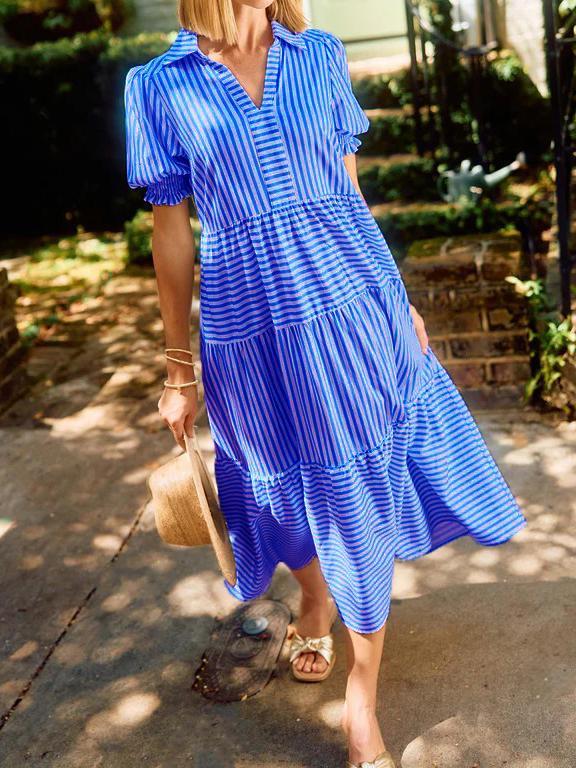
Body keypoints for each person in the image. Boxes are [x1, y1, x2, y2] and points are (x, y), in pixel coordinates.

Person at [124, 1, 528, 765]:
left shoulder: (318, 55)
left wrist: (398, 296)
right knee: (275, 489)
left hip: (350, 307)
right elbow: (170, 232)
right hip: (246, 328)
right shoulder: (158, 84)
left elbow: (350, 195)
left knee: (354, 492)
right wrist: (178, 366)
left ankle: (361, 700)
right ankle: (315, 594)